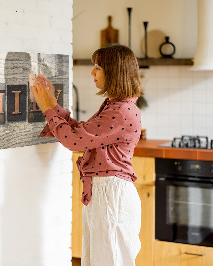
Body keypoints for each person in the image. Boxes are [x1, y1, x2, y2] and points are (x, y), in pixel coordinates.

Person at [31, 44, 143, 266]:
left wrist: (47, 108)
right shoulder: (116, 106)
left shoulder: (120, 111)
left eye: (98, 67)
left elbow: (74, 141)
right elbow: (83, 133)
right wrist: (53, 105)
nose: (92, 72)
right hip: (106, 193)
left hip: (111, 195)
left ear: (114, 72)